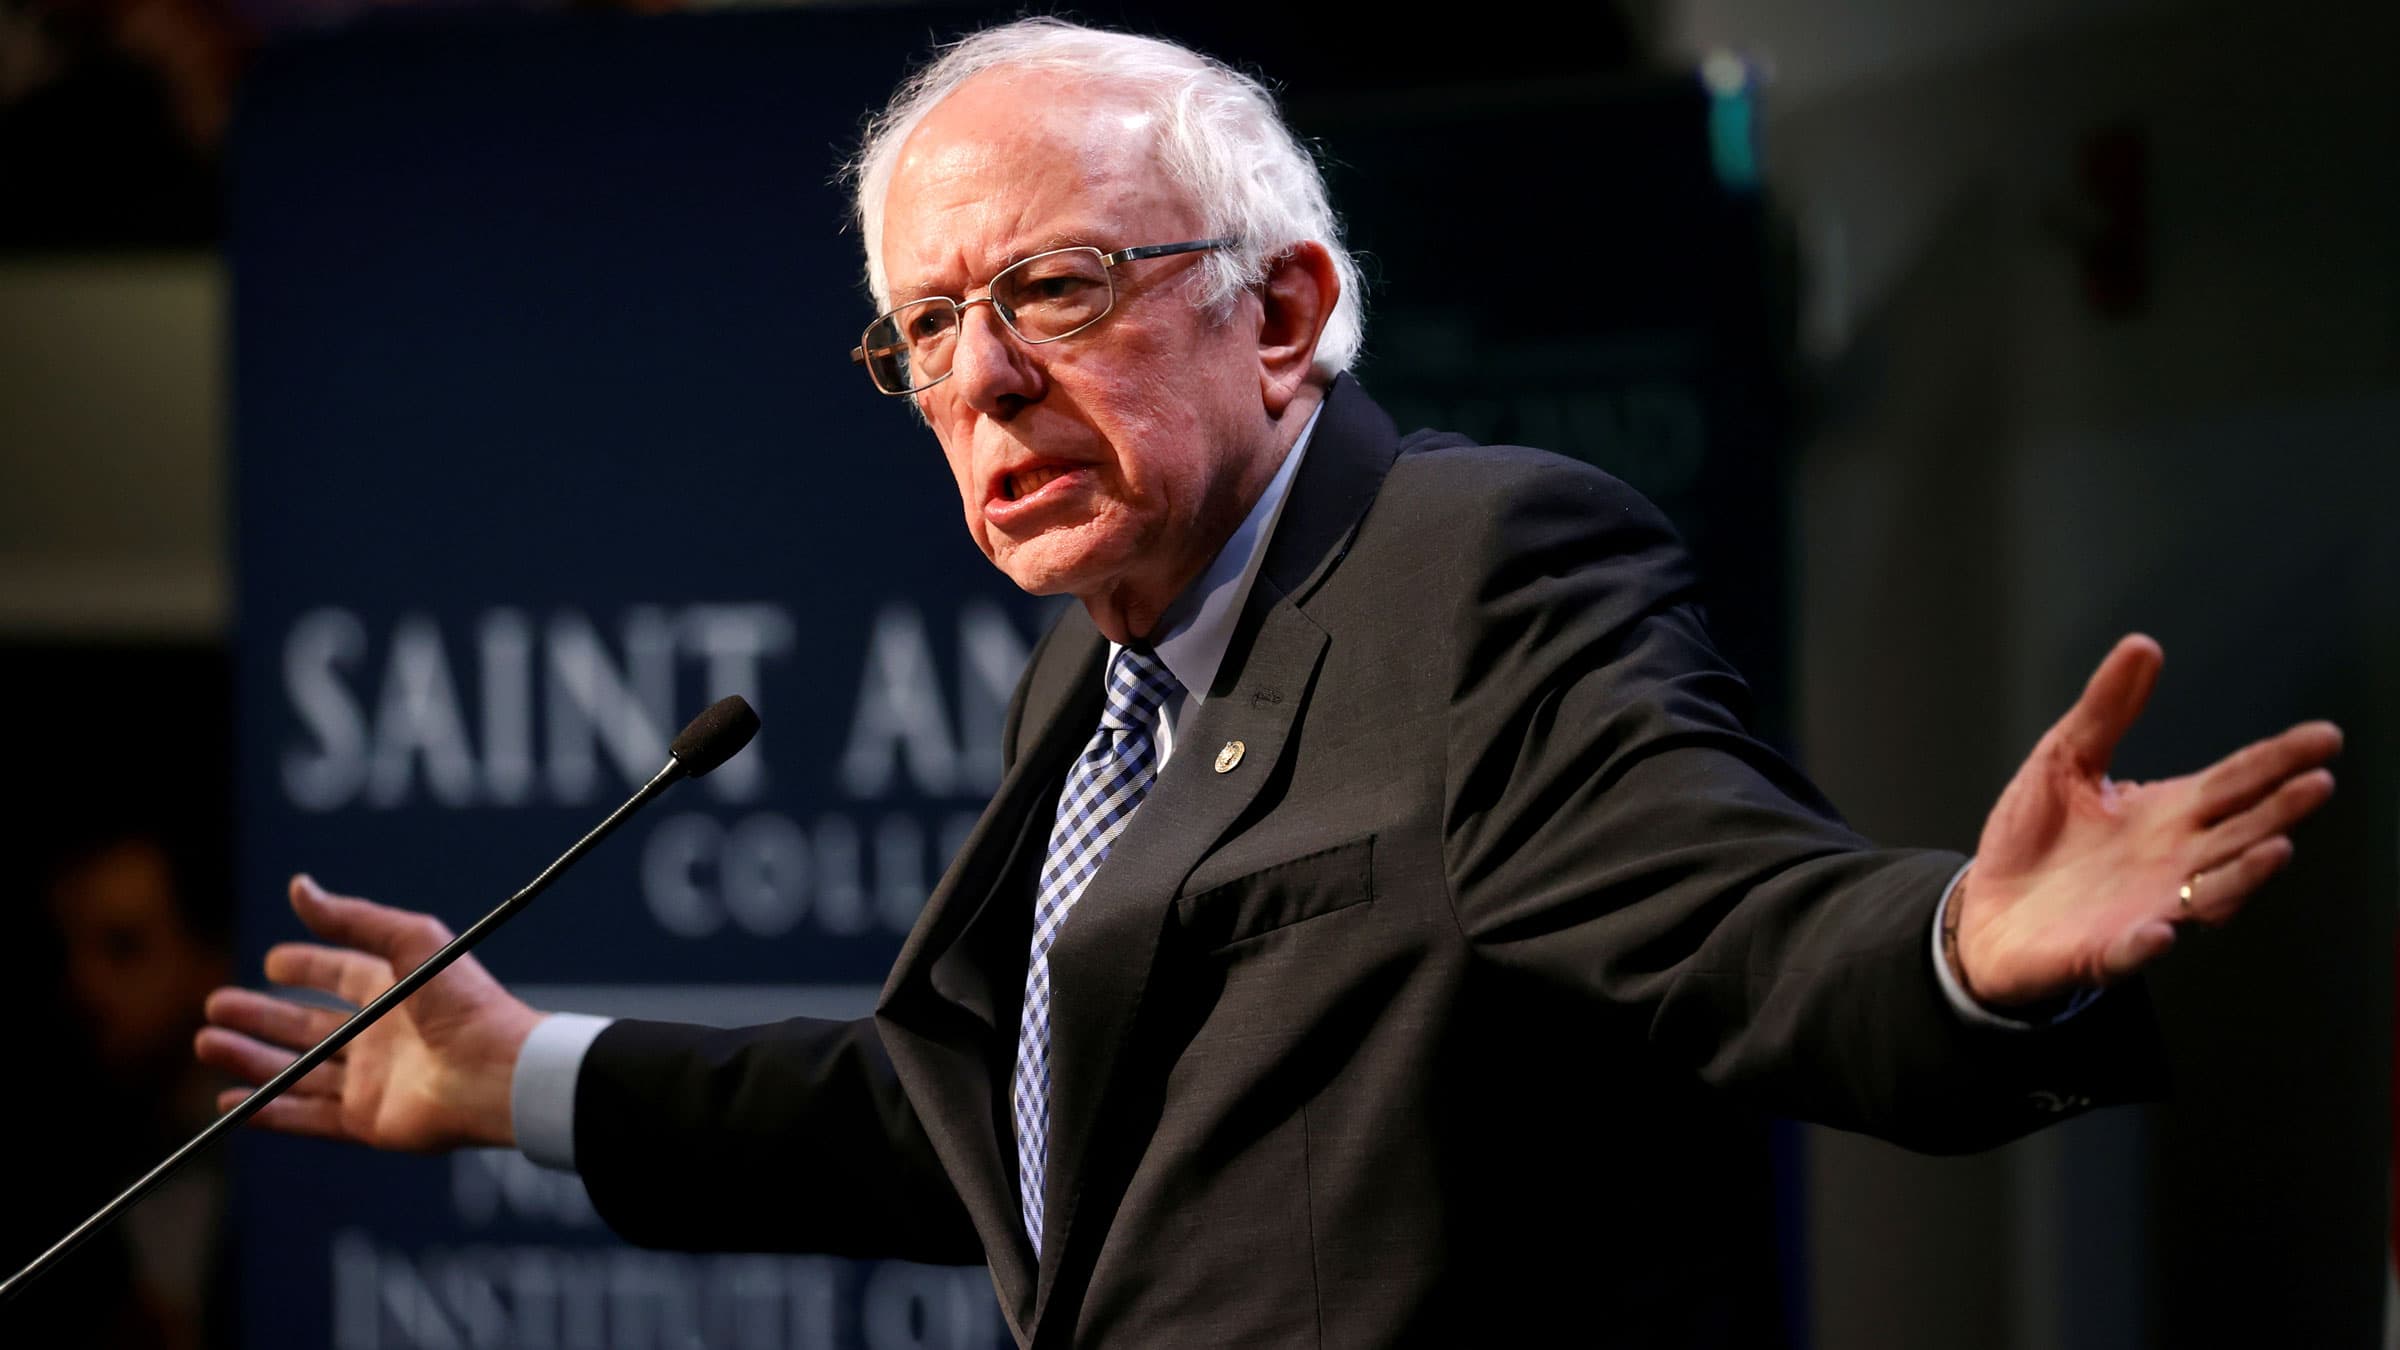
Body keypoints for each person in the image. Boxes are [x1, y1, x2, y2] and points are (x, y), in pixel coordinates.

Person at [196, 19, 2343, 1346]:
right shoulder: (1100, 679)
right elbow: (984, 1130)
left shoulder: (1470, 563)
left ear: (1287, 307)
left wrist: (1963, 945)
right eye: (926, 332)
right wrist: (512, 1078)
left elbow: (1724, 911)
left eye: (1050, 288)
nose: (983, 380)